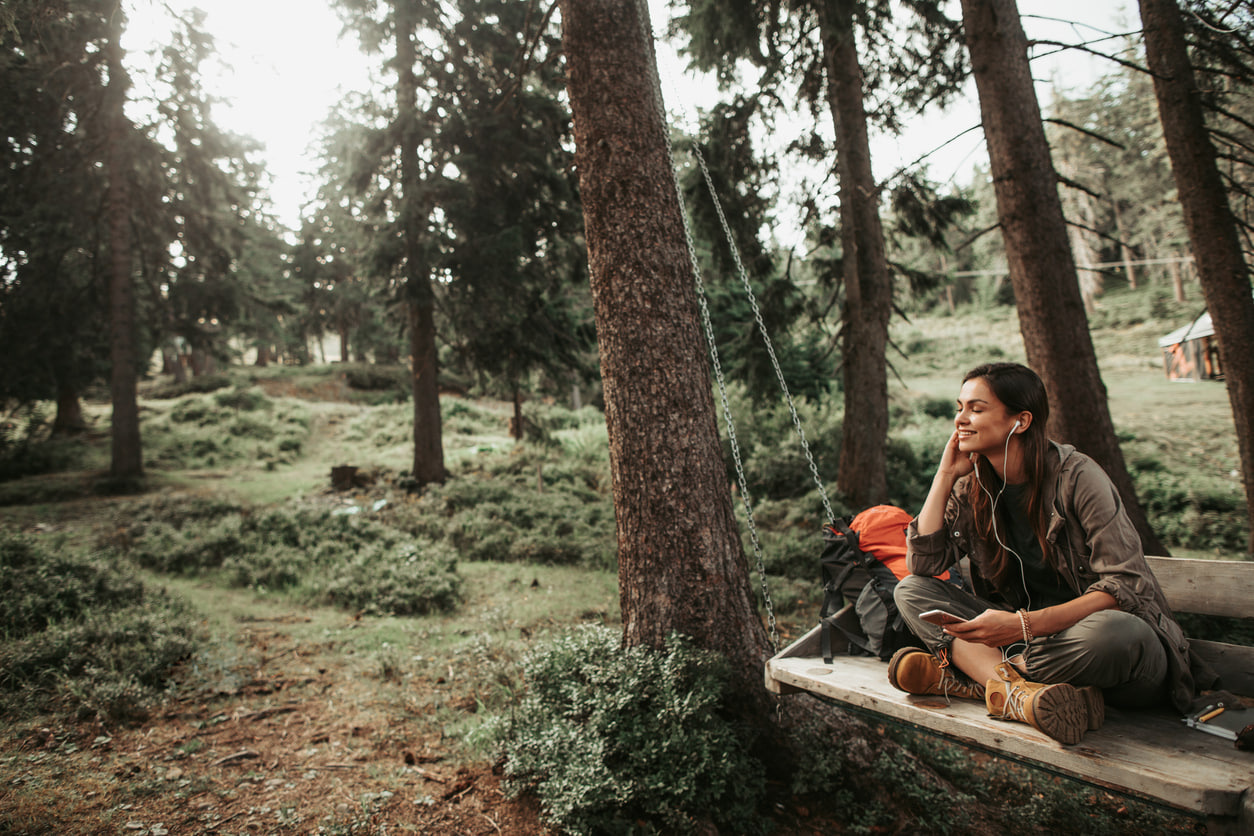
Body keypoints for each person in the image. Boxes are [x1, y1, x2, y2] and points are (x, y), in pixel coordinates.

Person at [887, 362, 1213, 745]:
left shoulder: (1079, 478)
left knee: (1114, 631)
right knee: (910, 590)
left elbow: (1125, 587)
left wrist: (1022, 626)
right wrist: (944, 476)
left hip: (1107, 654)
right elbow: (923, 565)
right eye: (958, 407)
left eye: (976, 409)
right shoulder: (973, 487)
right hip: (1023, 643)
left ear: (1020, 421)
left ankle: (980, 683)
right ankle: (1019, 694)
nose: (961, 419)